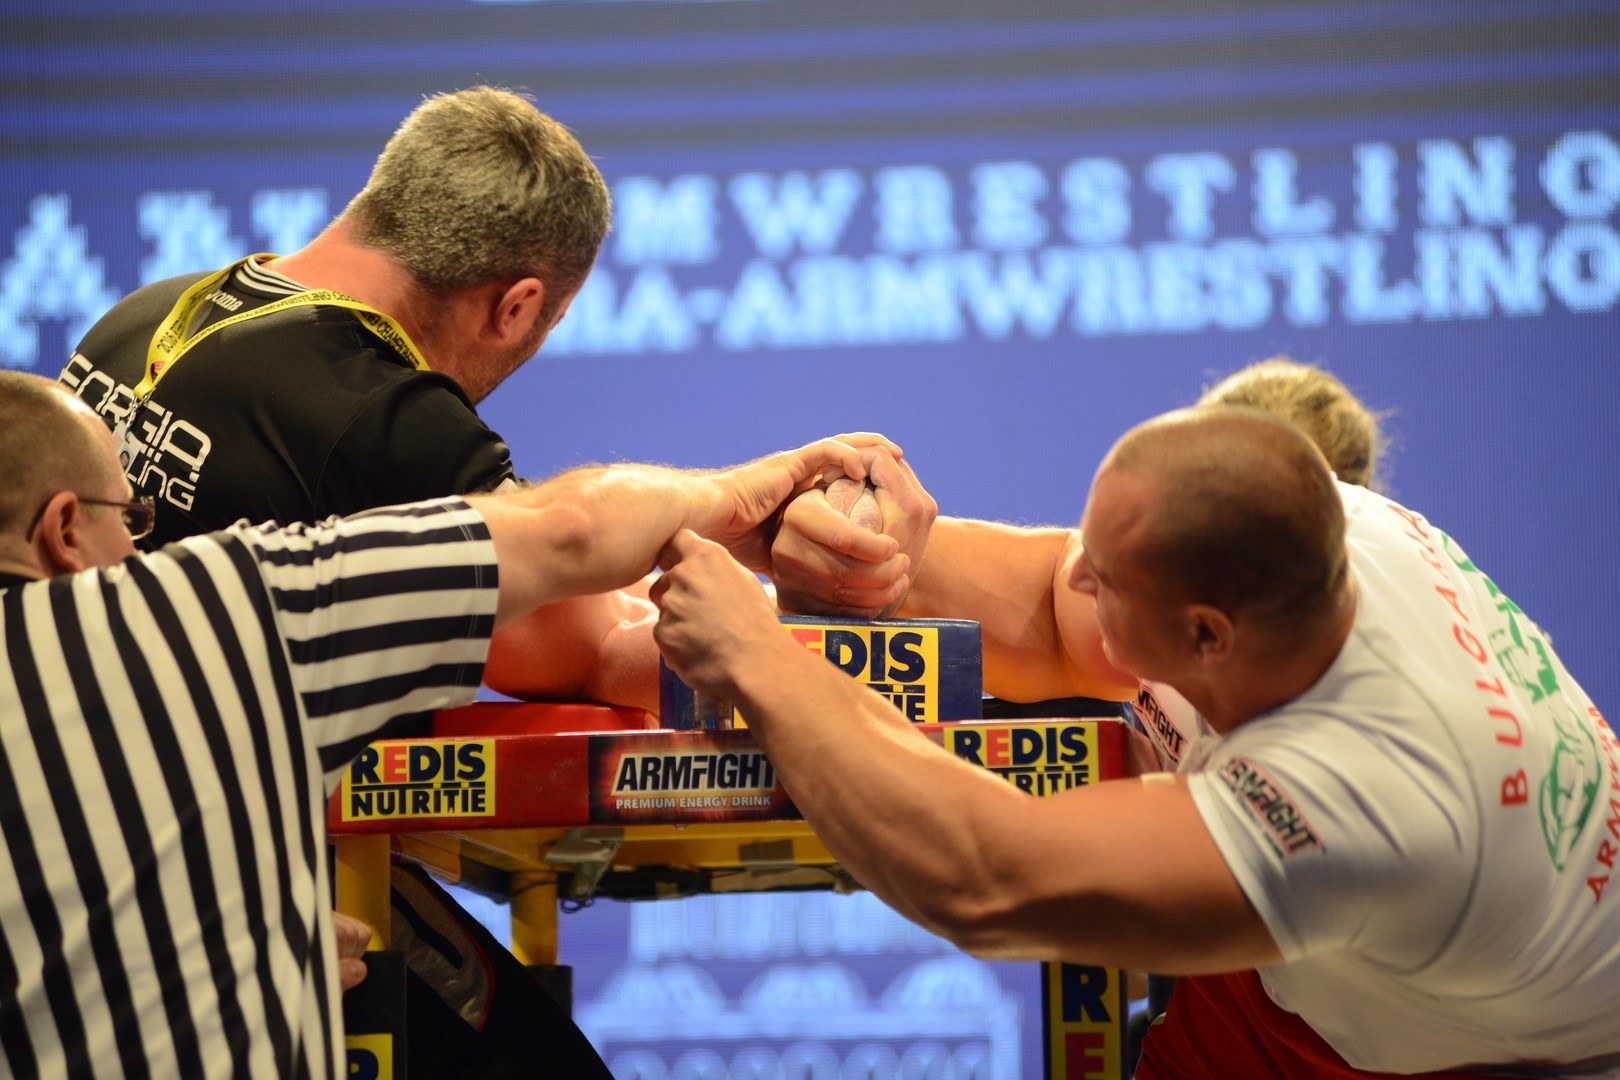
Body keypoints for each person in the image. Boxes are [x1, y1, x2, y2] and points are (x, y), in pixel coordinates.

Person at [652, 406, 1620, 1077]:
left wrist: (760, 658)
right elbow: (1041, 601)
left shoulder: (1371, 798)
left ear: (1205, 635)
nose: (1077, 578)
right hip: (1336, 964)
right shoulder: (1316, 532)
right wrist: (869, 550)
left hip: (1474, 1051)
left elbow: (985, 882)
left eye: (1105, 578)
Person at [0, 370, 890, 1078]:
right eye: (134, 518)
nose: (145, 545)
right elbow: (569, 533)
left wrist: (240, 950)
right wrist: (743, 492)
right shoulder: (200, 607)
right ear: (65, 531)